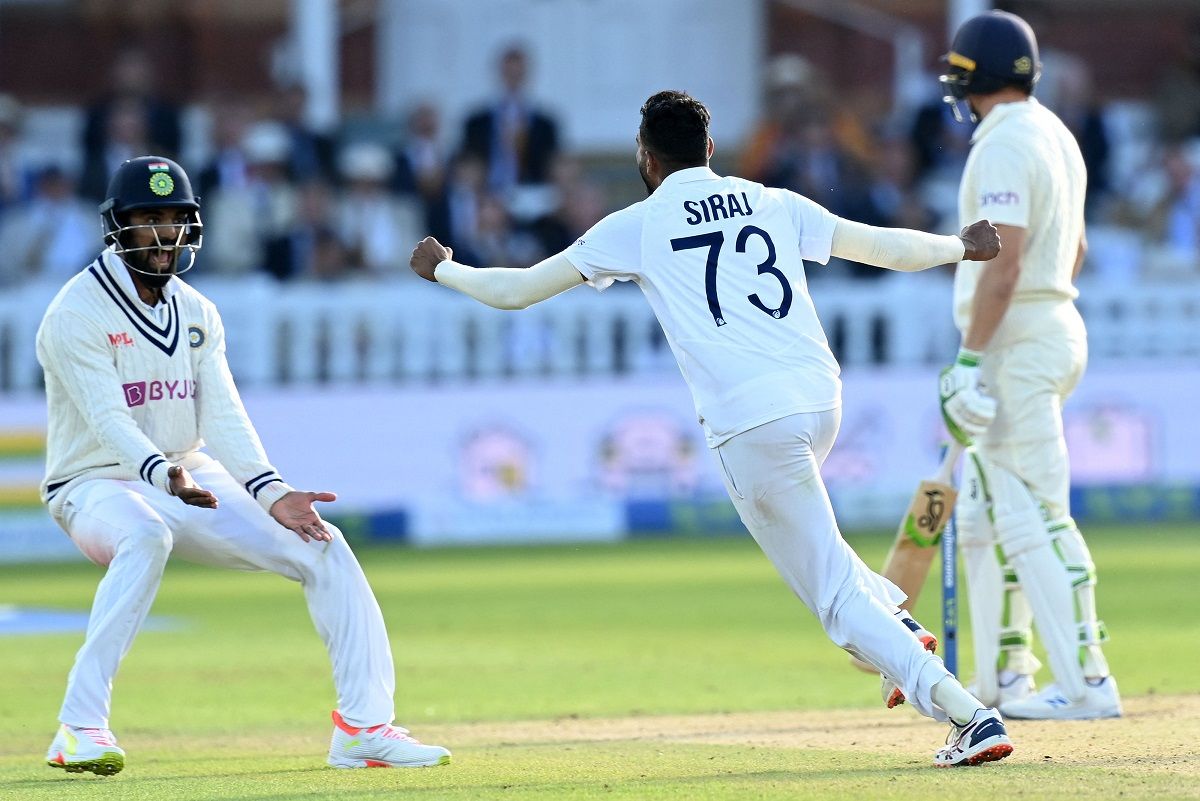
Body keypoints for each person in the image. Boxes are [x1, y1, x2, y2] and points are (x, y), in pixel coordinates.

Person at [411, 89, 1013, 768]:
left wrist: (444, 268)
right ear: (711, 148)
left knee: (834, 596)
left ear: (645, 155)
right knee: (831, 558)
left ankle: (967, 713)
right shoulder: (772, 200)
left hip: (751, 422)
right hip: (820, 400)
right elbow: (876, 246)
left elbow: (516, 290)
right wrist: (959, 246)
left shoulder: (636, 224)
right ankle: (897, 624)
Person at [37, 156, 450, 775]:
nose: (164, 234)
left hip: (186, 472)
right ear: (117, 226)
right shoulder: (76, 312)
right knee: (147, 535)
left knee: (323, 547)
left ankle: (363, 729)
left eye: (176, 219)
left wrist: (272, 491)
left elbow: (224, 414)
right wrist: (159, 473)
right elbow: (106, 419)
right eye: (148, 219)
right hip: (92, 482)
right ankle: (79, 727)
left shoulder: (199, 312)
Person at [936, 10, 1121, 720]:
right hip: (1050, 326)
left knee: (1037, 513)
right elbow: (1070, 251)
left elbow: (1004, 265)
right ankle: (1002, 677)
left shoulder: (1007, 144)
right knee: (987, 513)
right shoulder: (1057, 134)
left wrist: (970, 358)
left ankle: (1087, 682)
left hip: (1016, 339)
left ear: (970, 79)